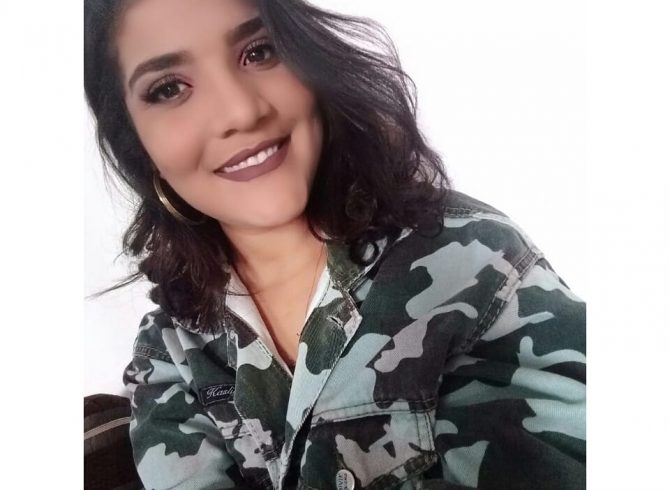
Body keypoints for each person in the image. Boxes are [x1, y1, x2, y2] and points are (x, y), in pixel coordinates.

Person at [84, 0, 586, 488]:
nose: (241, 111)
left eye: (259, 51)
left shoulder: (477, 263)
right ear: (135, 140)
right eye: (169, 88)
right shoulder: (168, 352)